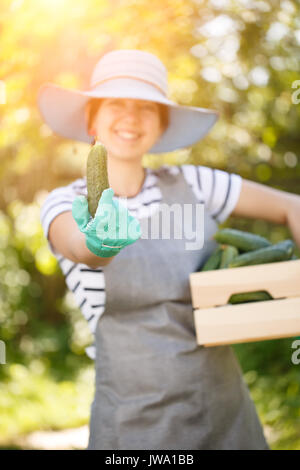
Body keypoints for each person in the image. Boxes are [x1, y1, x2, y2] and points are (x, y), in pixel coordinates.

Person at [38, 49, 300, 450]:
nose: (131, 116)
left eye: (147, 107)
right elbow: (75, 245)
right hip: (133, 429)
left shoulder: (196, 185)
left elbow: (291, 206)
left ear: (162, 125)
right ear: (91, 117)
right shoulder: (65, 203)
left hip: (224, 417)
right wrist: (98, 244)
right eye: (116, 103)